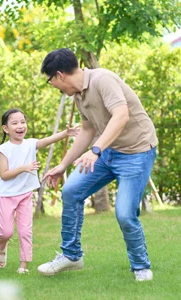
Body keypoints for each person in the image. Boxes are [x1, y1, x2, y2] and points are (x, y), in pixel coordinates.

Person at [37, 48, 158, 282]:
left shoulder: (103, 80)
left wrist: (95, 150)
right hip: (108, 151)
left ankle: (141, 266)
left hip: (136, 152)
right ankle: (71, 256)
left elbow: (121, 116)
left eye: (50, 80)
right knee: (71, 191)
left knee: (124, 214)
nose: (52, 85)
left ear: (60, 75)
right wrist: (63, 164)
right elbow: (88, 130)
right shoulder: (78, 95)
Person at [0, 108, 80, 274]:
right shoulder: (4, 149)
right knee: (6, 232)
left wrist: (65, 133)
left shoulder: (30, 144)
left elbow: (48, 140)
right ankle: (0, 245)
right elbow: (4, 175)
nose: (20, 126)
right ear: (6, 128)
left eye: (22, 122)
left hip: (25, 195)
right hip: (7, 196)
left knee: (25, 231)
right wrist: (23, 168)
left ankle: (23, 266)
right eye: (15, 123)